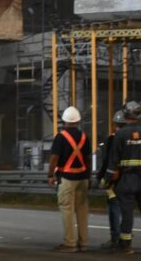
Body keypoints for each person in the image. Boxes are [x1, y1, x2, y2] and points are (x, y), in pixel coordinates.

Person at [105, 101, 141, 254]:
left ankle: (126, 245)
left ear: (125, 114)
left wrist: (107, 180)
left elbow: (113, 160)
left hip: (127, 179)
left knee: (127, 212)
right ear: (139, 114)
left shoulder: (120, 134)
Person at [48, 106, 92, 253]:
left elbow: (54, 158)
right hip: (83, 178)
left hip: (67, 178)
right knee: (82, 211)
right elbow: (88, 159)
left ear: (64, 121)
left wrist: (50, 175)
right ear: (78, 121)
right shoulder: (85, 137)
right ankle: (84, 243)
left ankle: (70, 243)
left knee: (67, 210)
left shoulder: (60, 137)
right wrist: (89, 176)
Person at [95, 109, 127, 250]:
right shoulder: (132, 138)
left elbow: (107, 161)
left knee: (114, 209)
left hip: (114, 180)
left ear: (114, 124)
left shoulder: (112, 140)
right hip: (130, 180)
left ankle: (115, 239)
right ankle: (126, 240)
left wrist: (100, 178)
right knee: (127, 211)